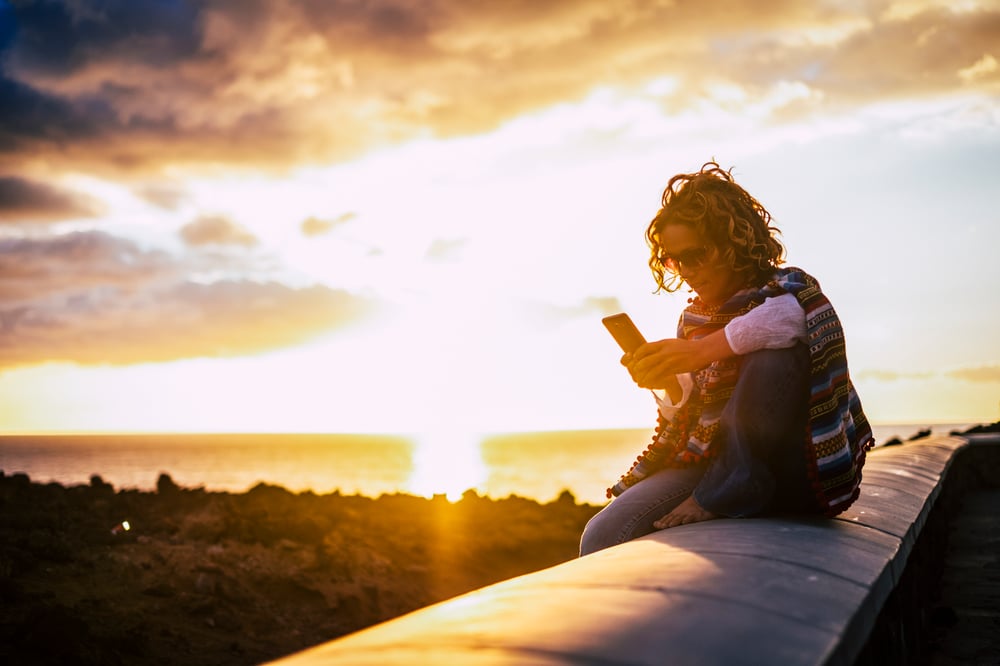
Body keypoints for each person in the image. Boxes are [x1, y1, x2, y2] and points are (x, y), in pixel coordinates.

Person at [580, 161, 874, 557]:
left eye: (696, 255)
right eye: (674, 259)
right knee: (601, 535)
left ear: (734, 241)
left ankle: (731, 488)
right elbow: (690, 415)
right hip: (710, 464)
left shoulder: (789, 291)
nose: (686, 270)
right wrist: (667, 383)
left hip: (798, 467)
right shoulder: (695, 319)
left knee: (773, 355)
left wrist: (700, 350)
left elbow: (790, 321)